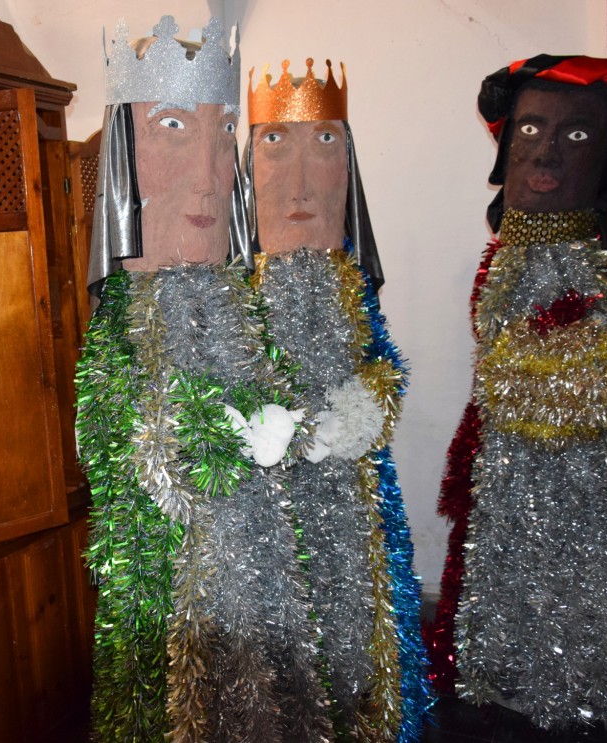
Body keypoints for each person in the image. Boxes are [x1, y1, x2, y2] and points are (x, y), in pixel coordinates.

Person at [76, 17, 332, 742]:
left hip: (259, 575)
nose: (211, 170)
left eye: (225, 139)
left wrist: (294, 417)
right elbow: (126, 447)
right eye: (174, 128)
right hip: (168, 599)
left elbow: (273, 392)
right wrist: (224, 434)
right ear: (125, 158)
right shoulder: (121, 322)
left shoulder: (236, 300)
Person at [425, 54, 607, 729]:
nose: (547, 154)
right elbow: (499, 358)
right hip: (507, 461)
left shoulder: (595, 265)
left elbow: (596, 368)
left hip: (583, 470)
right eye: (531, 130)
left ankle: (580, 671)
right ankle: (499, 662)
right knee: (500, 553)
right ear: (507, 146)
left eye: (574, 137)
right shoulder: (500, 265)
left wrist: (548, 360)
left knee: (582, 561)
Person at [242, 57, 431, 742]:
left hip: (352, 506)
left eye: (325, 144)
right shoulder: (235, 295)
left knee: (359, 627)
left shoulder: (351, 288)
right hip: (265, 521)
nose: (299, 182)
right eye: (274, 146)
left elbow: (384, 364)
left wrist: (365, 407)